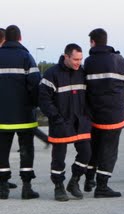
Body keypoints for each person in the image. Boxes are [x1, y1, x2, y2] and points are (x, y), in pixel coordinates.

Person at [39, 43, 91, 201]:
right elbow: (44, 100)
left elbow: (90, 97)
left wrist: (87, 116)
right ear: (66, 56)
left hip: (80, 122)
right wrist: (56, 118)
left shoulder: (82, 73)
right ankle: (58, 187)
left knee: (86, 153)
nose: (78, 63)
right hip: (60, 123)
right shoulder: (51, 74)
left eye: (80, 59)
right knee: (58, 158)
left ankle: (74, 181)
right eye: (75, 59)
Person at [82, 28, 124, 198]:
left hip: (93, 114)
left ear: (92, 42)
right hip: (114, 114)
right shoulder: (119, 60)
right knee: (109, 151)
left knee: (94, 148)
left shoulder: (87, 62)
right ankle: (102, 186)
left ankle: (89, 179)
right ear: (106, 40)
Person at [0, 25, 41, 200]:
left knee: (2, 151)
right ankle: (26, 187)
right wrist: (33, 105)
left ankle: (2, 188)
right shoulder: (26, 57)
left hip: (1, 117)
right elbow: (36, 86)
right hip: (25, 116)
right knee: (26, 151)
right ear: (20, 38)